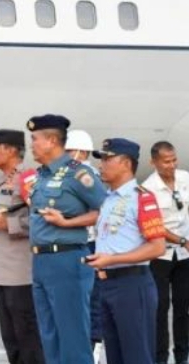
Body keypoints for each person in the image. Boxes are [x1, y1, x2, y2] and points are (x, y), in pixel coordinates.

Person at [27, 114, 107, 364]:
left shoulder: (79, 174)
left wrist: (68, 222)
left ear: (51, 140)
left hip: (68, 259)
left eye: (35, 139)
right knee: (50, 337)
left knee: (73, 339)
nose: (32, 145)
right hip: (41, 261)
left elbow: (106, 210)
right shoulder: (41, 176)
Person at [88, 138, 166, 364]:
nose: (102, 164)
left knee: (137, 356)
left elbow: (157, 246)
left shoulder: (142, 197)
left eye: (107, 158)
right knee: (115, 356)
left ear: (125, 163)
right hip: (107, 284)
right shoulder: (109, 199)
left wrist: (112, 258)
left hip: (132, 285)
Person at [0, 129, 45, 364]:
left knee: (27, 338)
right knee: (11, 339)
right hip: (2, 273)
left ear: (10, 150)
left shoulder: (27, 180)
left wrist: (9, 223)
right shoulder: (3, 182)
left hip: (21, 274)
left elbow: (41, 218)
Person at [142, 141, 189, 364]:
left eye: (174, 160)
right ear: (154, 162)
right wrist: (182, 240)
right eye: (166, 161)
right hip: (160, 255)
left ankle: (182, 356)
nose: (172, 165)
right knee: (160, 309)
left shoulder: (186, 179)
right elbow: (155, 225)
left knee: (183, 307)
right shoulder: (147, 188)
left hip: (184, 256)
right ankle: (160, 357)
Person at [66, 129, 104, 356]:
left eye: (69, 150)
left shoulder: (85, 176)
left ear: (81, 152)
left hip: (88, 245)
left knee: (90, 302)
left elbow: (99, 210)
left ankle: (93, 351)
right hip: (77, 244)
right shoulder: (71, 174)